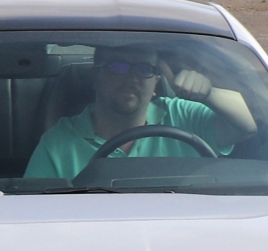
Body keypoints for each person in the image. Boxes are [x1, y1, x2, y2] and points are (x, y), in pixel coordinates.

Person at [24, 49, 256, 178]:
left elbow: (249, 125)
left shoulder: (183, 115)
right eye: (118, 66)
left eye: (144, 69)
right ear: (96, 76)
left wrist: (209, 93)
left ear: (156, 82)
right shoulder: (58, 142)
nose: (131, 77)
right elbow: (36, 212)